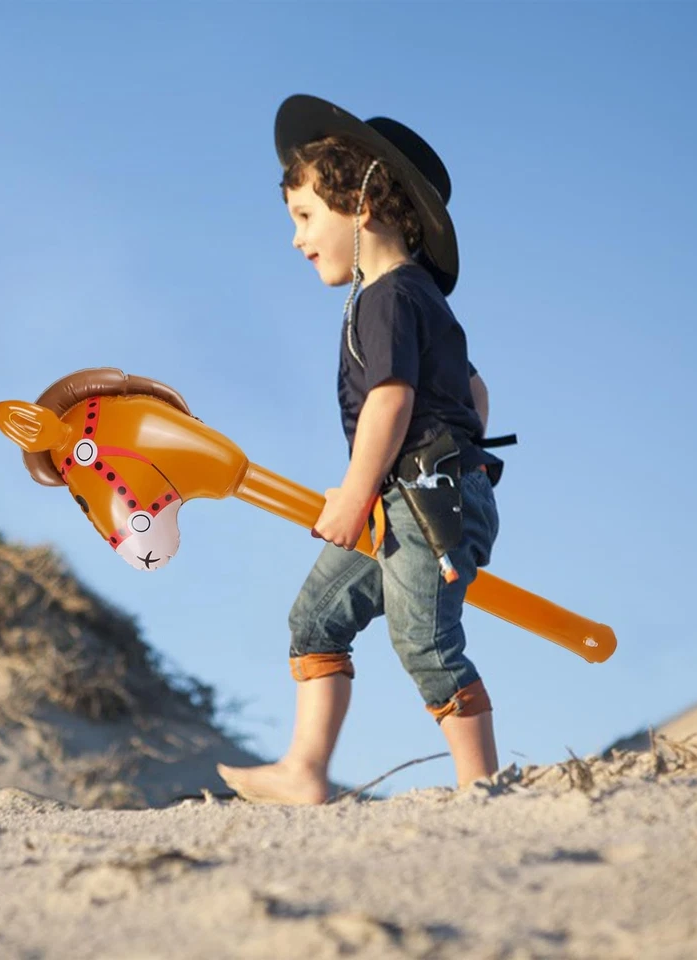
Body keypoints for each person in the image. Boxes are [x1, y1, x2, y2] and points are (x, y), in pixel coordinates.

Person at [218, 95, 508, 804]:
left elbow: (390, 400)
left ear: (365, 204)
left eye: (305, 216)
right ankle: (304, 770)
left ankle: (483, 787)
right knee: (316, 619)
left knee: (424, 641)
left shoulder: (389, 296)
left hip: (423, 502)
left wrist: (357, 491)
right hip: (415, 493)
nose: (296, 239)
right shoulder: (413, 297)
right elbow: (474, 392)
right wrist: (452, 465)